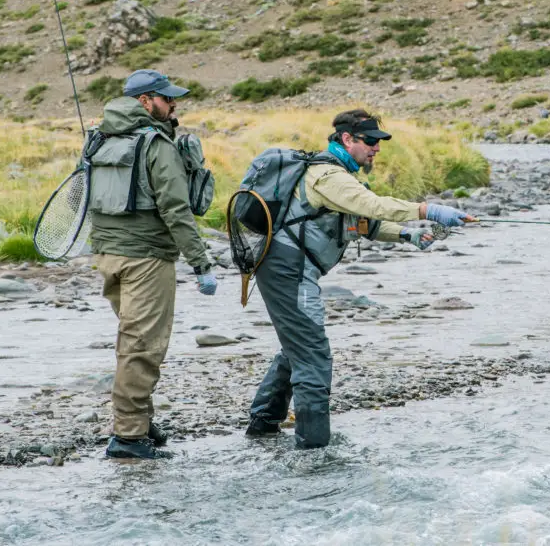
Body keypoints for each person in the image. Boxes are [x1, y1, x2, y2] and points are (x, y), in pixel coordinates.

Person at [245, 109, 474, 449]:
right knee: (312, 352)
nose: (376, 149)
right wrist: (428, 210)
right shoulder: (328, 176)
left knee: (299, 342)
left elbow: (362, 222)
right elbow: (372, 205)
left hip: (293, 267)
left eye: (379, 143)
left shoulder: (341, 174)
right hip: (285, 269)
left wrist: (408, 235)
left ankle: (263, 423)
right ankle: (314, 447)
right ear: (347, 139)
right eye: (370, 142)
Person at [88, 69, 218, 460]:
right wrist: (201, 264)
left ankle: (139, 422)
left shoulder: (100, 137)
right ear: (146, 101)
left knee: (133, 341)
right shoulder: (156, 144)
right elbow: (176, 210)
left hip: (107, 256)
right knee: (142, 347)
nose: (174, 104)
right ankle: (128, 437)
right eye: (167, 98)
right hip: (147, 259)